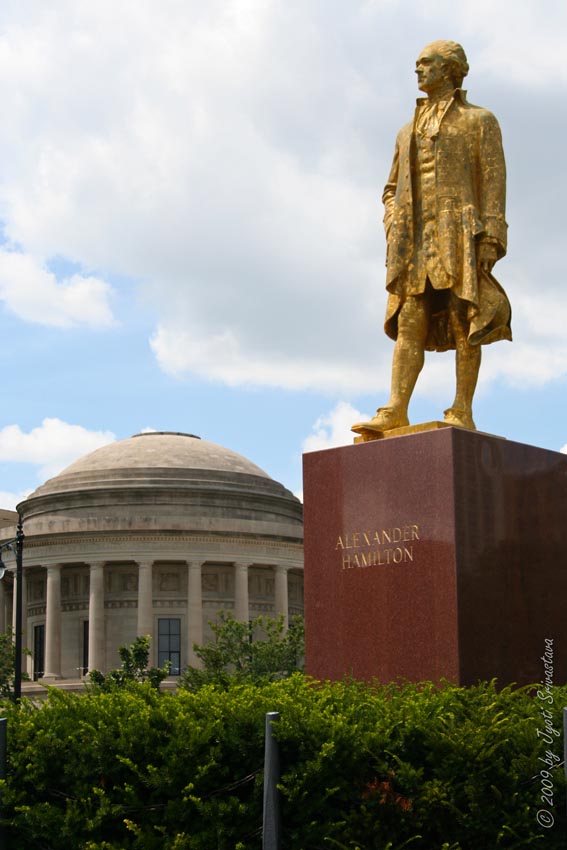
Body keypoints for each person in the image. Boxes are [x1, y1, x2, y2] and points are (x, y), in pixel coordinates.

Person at [353, 40, 511, 436]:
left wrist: (491, 235)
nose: (419, 70)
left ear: (451, 69)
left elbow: (493, 181)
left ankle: (462, 408)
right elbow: (390, 187)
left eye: (427, 63)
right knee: (410, 318)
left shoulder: (480, 121)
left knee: (464, 316)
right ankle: (395, 408)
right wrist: (393, 220)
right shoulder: (406, 130)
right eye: (418, 64)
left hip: (460, 232)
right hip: (414, 238)